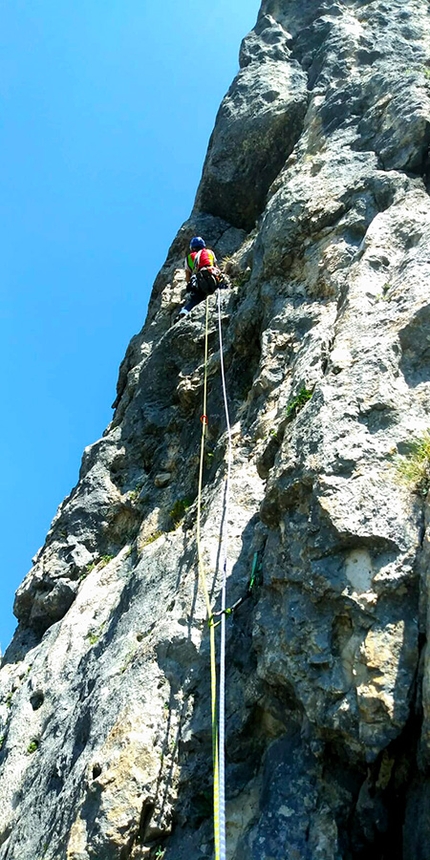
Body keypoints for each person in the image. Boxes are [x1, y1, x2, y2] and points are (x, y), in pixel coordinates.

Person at [174, 237, 226, 322]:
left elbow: (188, 276)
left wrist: (190, 285)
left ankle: (184, 311)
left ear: (192, 247)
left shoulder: (189, 258)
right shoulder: (209, 252)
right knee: (221, 286)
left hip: (199, 280)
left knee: (195, 299)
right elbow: (215, 267)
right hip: (212, 276)